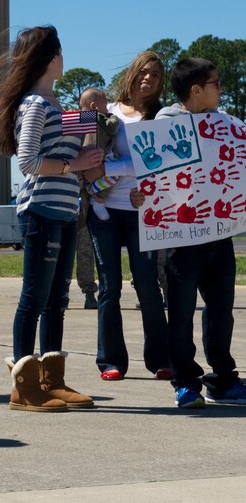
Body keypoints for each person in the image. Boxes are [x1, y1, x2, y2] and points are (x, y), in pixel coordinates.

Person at [0, 25, 103, 412]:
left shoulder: (55, 104)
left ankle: (51, 380)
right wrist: (75, 164)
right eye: (60, 51)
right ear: (51, 57)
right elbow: (28, 162)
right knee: (34, 298)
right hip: (40, 210)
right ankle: (24, 387)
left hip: (65, 211)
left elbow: (78, 152)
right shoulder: (35, 105)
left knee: (57, 299)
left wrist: (91, 136)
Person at [153, 58, 246, 408]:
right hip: (182, 237)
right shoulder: (166, 123)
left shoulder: (229, 124)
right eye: (215, 83)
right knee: (180, 311)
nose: (221, 88)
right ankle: (185, 382)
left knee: (222, 310)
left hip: (220, 234)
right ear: (196, 90)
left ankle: (223, 380)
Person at [84, 51, 171, 382]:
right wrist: (98, 181)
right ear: (133, 74)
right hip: (104, 212)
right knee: (109, 286)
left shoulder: (161, 116)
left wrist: (146, 192)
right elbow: (91, 153)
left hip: (142, 212)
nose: (149, 78)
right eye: (144, 72)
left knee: (148, 286)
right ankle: (111, 360)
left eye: (156, 75)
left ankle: (160, 360)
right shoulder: (110, 112)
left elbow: (162, 164)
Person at [74, 88, 111, 310]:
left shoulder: (108, 124)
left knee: (93, 248)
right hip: (83, 195)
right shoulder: (80, 123)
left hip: (99, 192)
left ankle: (95, 291)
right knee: (84, 247)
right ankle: (88, 291)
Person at [80, 88, 119, 221]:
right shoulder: (99, 117)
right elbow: (112, 128)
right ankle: (99, 199)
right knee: (116, 170)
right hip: (100, 157)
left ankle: (91, 191)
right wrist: (113, 117)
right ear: (94, 106)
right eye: (105, 103)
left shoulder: (80, 119)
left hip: (83, 161)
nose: (107, 107)